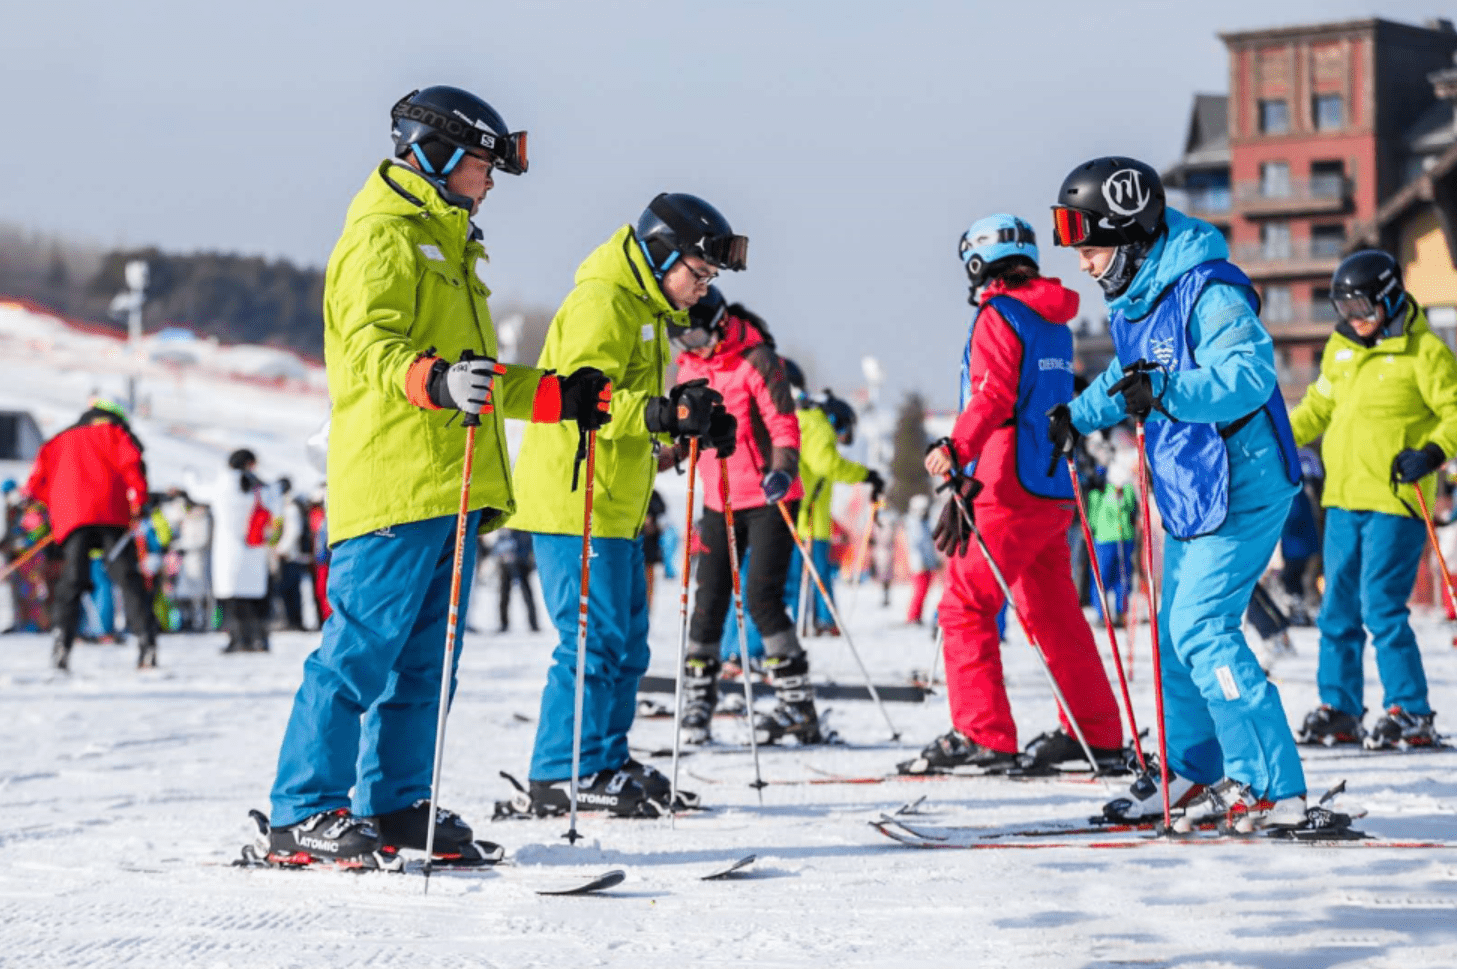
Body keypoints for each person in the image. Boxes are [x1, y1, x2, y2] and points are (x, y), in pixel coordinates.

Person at [264, 86, 611, 870]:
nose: (490, 180)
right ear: (436, 153)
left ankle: (392, 802)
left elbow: (475, 375)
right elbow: (365, 349)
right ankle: (302, 808)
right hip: (395, 479)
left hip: (450, 485)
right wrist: (432, 379)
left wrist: (561, 394)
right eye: (483, 163)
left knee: (426, 664)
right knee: (357, 654)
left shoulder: (450, 243)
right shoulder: (384, 235)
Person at [1048, 157, 1311, 829]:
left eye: (1091, 246)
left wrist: (1166, 392)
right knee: (1172, 632)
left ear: (1131, 237)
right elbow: (1126, 377)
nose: (1083, 263)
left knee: (1200, 628)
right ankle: (1193, 771)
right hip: (1193, 486)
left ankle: (1271, 784)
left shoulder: (1207, 290)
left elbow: (1249, 376)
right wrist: (1075, 416)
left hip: (1245, 480)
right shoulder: (1139, 299)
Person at [507, 192, 743, 816]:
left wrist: (681, 429)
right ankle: (562, 772)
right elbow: (588, 399)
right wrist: (663, 411)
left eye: (709, 279)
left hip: (615, 502)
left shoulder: (641, 310)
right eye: (698, 274)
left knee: (625, 644)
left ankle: (603, 759)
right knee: (590, 641)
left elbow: (633, 414)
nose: (701, 290)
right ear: (663, 254)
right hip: (574, 500)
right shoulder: (603, 301)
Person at [901, 213, 1123, 776]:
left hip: (1005, 485)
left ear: (978, 261)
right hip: (1051, 485)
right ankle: (1093, 732)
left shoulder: (999, 315)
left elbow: (993, 395)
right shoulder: (1053, 321)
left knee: (963, 605)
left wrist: (955, 447)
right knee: (1054, 615)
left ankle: (982, 734)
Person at [1289, 250, 1457, 749]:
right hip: (1343, 498)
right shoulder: (1341, 350)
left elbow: (1454, 411)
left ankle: (1411, 710)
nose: (1354, 319)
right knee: (1336, 608)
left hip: (1396, 500)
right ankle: (1339, 707)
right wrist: (1269, 435)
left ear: (1388, 297)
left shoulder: (1425, 352)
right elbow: (1317, 408)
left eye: (1362, 307)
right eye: (1343, 309)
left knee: (1380, 606)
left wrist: (1432, 452)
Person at [667, 290, 829, 746]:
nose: (690, 347)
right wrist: (670, 450)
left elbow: (783, 423)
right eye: (679, 341)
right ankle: (699, 697)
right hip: (718, 498)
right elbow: (685, 426)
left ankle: (797, 705)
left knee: (761, 595)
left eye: (696, 335)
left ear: (718, 323)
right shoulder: (690, 366)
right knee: (709, 598)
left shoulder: (757, 358)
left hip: (768, 495)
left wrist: (783, 469)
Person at [24, 398, 156, 670]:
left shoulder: (57, 440)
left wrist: (60, 507)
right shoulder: (115, 433)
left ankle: (62, 644)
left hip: (74, 520)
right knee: (127, 578)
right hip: (113, 514)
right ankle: (146, 642)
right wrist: (140, 501)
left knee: (72, 581)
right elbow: (132, 466)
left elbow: (36, 486)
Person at [782, 361, 884, 635]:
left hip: (810, 515)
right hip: (808, 519)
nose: (839, 440)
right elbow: (827, 464)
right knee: (811, 574)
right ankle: (814, 620)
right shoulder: (817, 425)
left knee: (811, 573)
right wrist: (865, 474)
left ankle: (810, 619)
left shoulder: (807, 422)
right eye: (841, 434)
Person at [1086, 455, 1138, 625]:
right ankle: (1102, 615)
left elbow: (1130, 508)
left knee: (1122, 578)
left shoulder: (1127, 489)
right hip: (1104, 539)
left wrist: (1122, 494)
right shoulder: (1099, 490)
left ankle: (1120, 613)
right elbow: (1093, 515)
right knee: (1102, 578)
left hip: (1124, 538)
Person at [271, 478, 311, 631]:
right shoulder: (288, 505)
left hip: (290, 555)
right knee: (288, 590)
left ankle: (295, 621)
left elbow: (294, 531)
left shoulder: (290, 507)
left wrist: (280, 549)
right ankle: (292, 620)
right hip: (288, 554)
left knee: (291, 590)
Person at [492, 528, 538, 633]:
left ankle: (533, 624)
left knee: (527, 595)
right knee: (504, 595)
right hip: (506, 564)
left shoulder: (522, 531)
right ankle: (503, 624)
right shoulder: (503, 531)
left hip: (521, 563)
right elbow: (497, 547)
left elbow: (529, 546)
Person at [904, 493, 938, 625]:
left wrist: (934, 560)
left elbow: (929, 544)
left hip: (927, 563)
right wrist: (921, 562)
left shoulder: (925, 523)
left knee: (924, 591)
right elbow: (916, 544)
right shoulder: (914, 523)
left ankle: (917, 615)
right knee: (919, 591)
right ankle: (913, 616)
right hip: (919, 564)